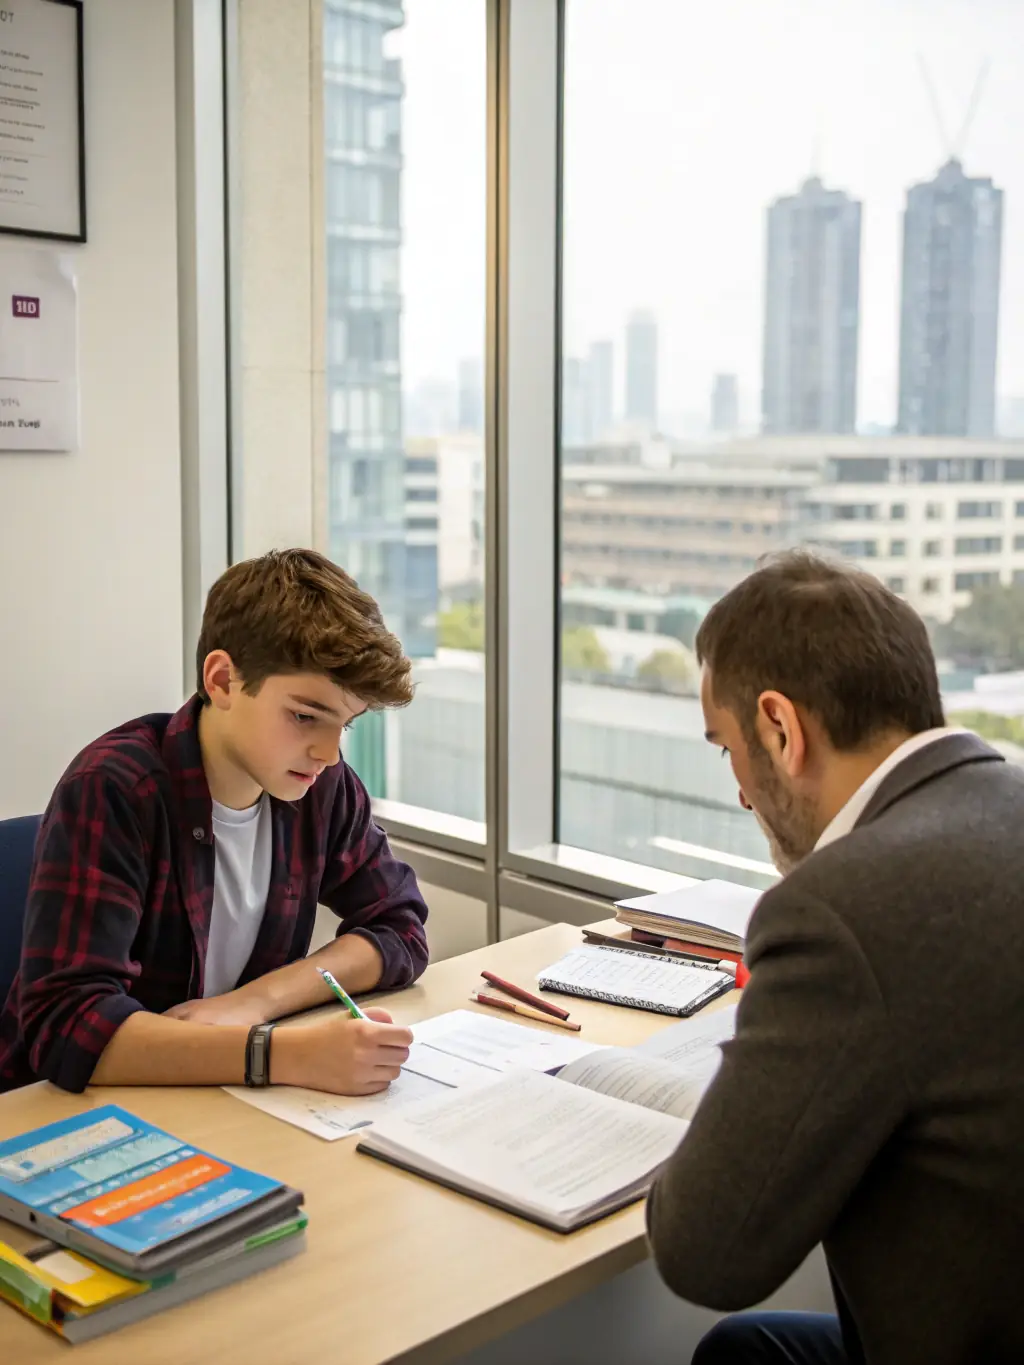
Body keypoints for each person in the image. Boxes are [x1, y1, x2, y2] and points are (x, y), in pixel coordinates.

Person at [645, 551, 1024, 1365]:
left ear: (781, 728)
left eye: (727, 748)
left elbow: (707, 1252)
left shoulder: (841, 905)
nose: (743, 792)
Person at [0, 549, 428, 1097]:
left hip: (221, 1099)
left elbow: (400, 926)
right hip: (73, 1111)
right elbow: (65, 1026)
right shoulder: (115, 789)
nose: (326, 752)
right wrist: (279, 1054)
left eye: (344, 724)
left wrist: (254, 1004)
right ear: (223, 680)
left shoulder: (320, 786)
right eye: (304, 716)